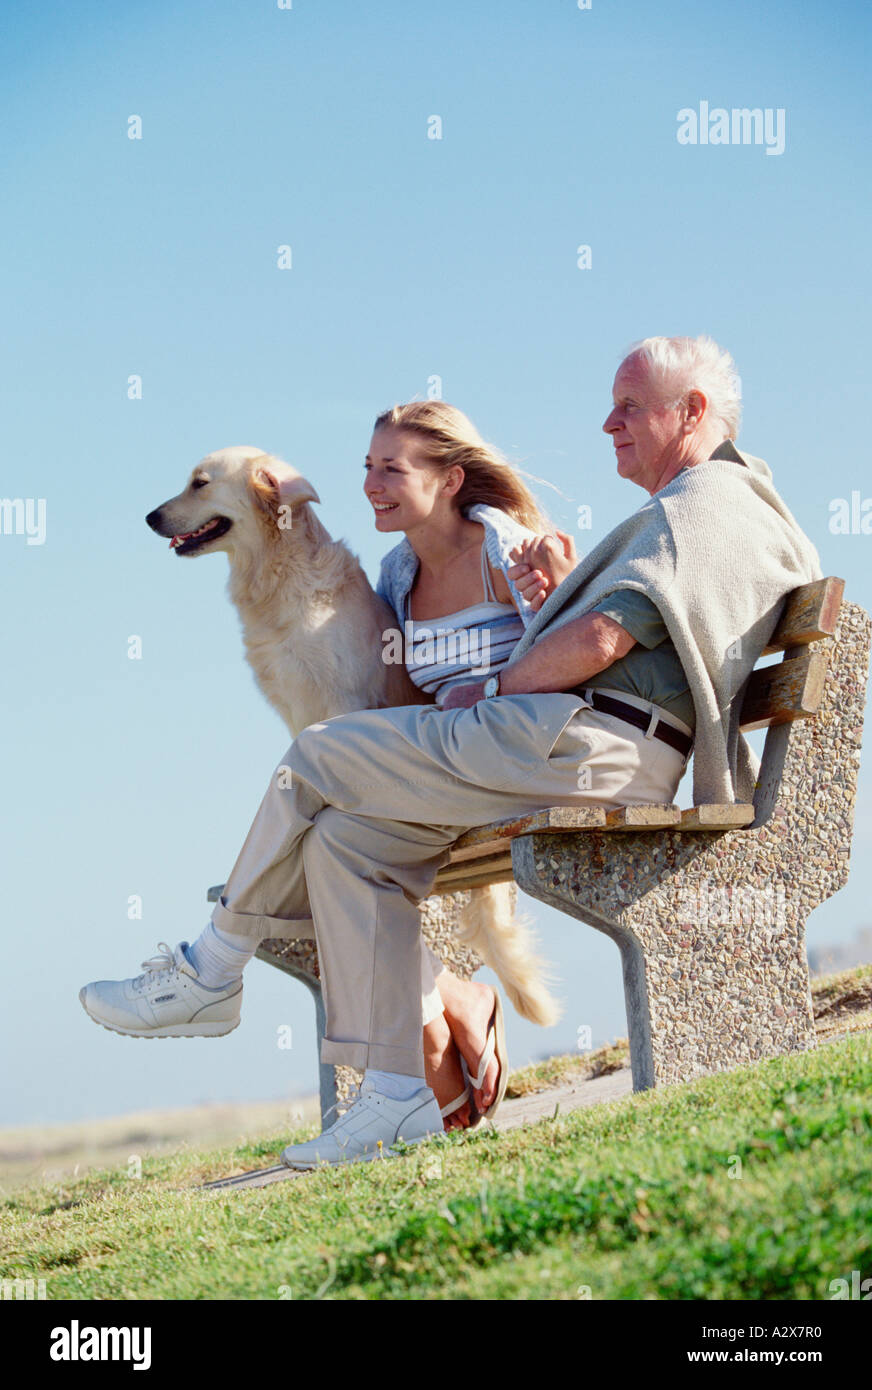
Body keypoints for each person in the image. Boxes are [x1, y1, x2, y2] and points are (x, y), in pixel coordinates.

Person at [81, 335, 822, 1169]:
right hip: (550, 744)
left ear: (691, 413)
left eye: (629, 406)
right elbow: (599, 621)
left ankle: (210, 970)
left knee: (319, 756)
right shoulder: (688, 504)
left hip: (584, 744)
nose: (607, 421)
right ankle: (395, 1101)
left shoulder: (711, 503)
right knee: (345, 843)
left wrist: (503, 684)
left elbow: (607, 633)